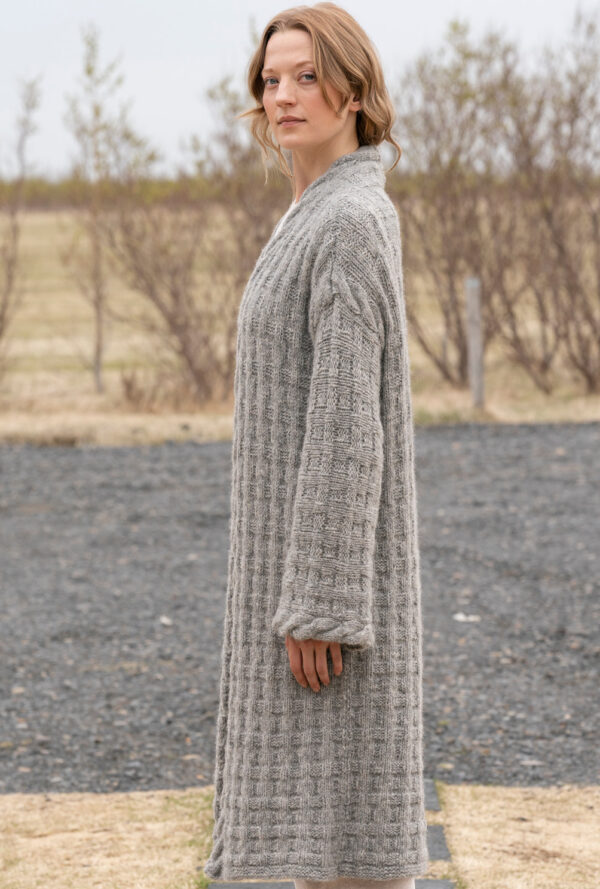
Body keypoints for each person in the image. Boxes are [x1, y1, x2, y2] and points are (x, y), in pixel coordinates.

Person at [203, 4, 429, 888]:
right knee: (322, 845)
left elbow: (345, 421)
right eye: (271, 79)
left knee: (350, 850)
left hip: (327, 602)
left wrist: (322, 604)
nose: (284, 96)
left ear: (355, 91)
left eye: (307, 76)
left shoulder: (348, 219)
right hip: (288, 580)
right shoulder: (310, 210)